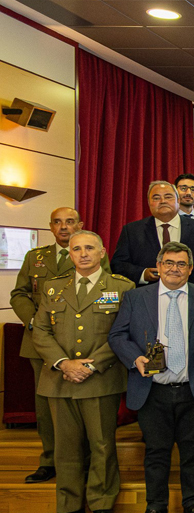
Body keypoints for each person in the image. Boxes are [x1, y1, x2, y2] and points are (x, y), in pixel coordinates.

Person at [33, 231, 135, 513]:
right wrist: (65, 363)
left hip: (99, 379)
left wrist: (90, 365)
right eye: (76, 249)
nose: (83, 253)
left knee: (102, 444)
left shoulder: (120, 287)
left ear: (102, 252)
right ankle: (69, 506)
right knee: (65, 448)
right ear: (70, 254)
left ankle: (102, 504)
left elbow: (123, 332)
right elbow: (40, 332)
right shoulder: (52, 289)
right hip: (60, 379)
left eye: (89, 248)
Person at [109, 242, 194, 513]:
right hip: (152, 388)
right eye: (168, 263)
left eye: (181, 264)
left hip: (193, 388)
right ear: (158, 266)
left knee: (193, 451)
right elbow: (117, 335)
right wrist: (134, 359)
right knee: (156, 452)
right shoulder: (135, 297)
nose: (174, 269)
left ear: (191, 269)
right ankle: (155, 508)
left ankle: (193, 505)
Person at [11, 207, 111, 484]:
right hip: (42, 344)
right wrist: (33, 320)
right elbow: (19, 293)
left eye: (70, 222)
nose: (64, 227)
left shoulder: (92, 253)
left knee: (88, 412)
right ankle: (50, 460)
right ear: (51, 226)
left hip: (88, 346)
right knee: (46, 408)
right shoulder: (36, 257)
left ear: (79, 224)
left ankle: (86, 461)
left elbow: (108, 298)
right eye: (58, 222)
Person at [111, 181, 194, 287]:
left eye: (168, 197)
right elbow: (118, 265)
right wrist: (143, 274)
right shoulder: (132, 231)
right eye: (156, 198)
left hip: (192, 297)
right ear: (148, 202)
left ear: (178, 200)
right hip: (147, 297)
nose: (163, 201)